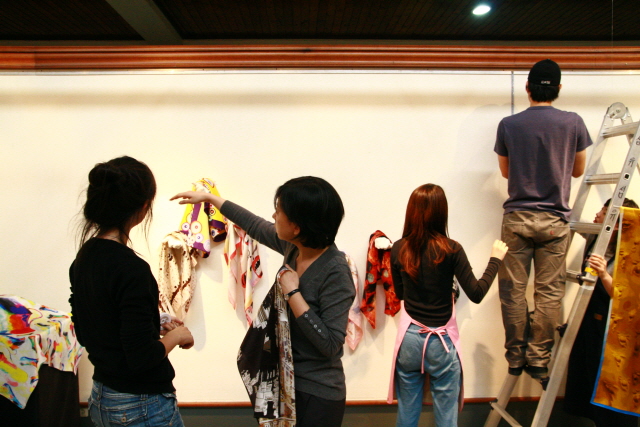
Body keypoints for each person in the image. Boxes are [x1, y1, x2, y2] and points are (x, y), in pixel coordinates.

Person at [172, 176, 355, 427]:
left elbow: (331, 345)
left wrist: (293, 293)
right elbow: (253, 224)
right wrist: (210, 198)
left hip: (317, 394)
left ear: (296, 227)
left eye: (278, 211)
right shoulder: (294, 248)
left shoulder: (336, 271)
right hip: (282, 384)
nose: (273, 216)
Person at [69, 156, 194, 427]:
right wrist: (177, 336)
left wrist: (153, 323)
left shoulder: (84, 259)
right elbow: (142, 359)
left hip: (101, 399)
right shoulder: (131, 269)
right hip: (140, 406)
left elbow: (92, 328)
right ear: (144, 206)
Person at [494, 59, 593, 378]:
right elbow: (578, 170)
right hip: (554, 220)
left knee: (512, 291)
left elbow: (506, 172)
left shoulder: (508, 125)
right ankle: (538, 359)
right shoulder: (573, 123)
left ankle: (515, 357)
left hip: (517, 218)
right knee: (549, 292)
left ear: (527, 88)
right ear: (559, 88)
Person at [388, 184, 508, 427]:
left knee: (407, 414)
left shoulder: (399, 248)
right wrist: (495, 259)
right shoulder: (451, 249)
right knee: (446, 417)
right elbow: (476, 293)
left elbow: (400, 294)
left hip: (409, 340)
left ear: (412, 212)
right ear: (441, 212)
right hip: (441, 342)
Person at [564, 198, 639, 427]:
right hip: (590, 319)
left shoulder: (631, 252)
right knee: (586, 375)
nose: (597, 215)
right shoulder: (596, 238)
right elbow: (572, 219)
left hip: (613, 328)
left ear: (617, 223)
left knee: (609, 384)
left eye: (604, 212)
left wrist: (604, 274)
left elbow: (624, 297)